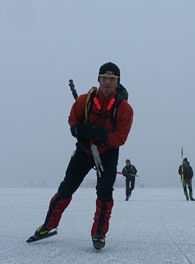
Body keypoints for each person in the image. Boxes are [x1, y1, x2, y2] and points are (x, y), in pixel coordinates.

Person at [28, 62, 133, 249]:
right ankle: (48, 226)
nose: (107, 82)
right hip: (85, 150)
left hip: (107, 153)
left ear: (117, 82)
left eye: (112, 79)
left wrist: (100, 135)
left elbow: (120, 138)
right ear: (99, 79)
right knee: (66, 188)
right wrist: (78, 130)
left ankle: (99, 233)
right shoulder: (84, 100)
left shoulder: (125, 109)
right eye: (104, 78)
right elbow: (73, 120)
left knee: (105, 193)